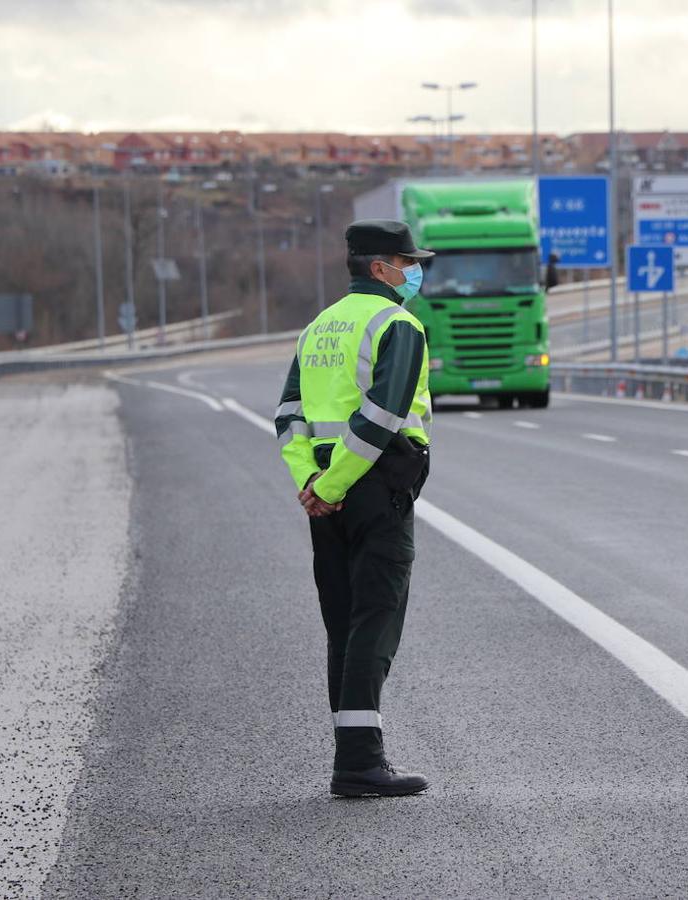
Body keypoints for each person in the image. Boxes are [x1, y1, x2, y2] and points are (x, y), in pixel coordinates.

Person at [274, 219, 434, 797]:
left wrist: (312, 483)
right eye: (406, 262)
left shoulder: (317, 328)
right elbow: (382, 416)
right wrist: (335, 484)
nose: (414, 272)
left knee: (342, 623)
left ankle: (354, 759)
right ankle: (362, 763)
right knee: (376, 619)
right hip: (374, 487)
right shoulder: (397, 323)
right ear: (380, 268)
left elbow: (288, 415)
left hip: (328, 495)